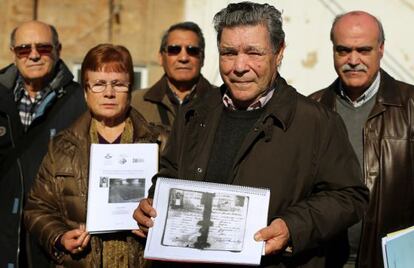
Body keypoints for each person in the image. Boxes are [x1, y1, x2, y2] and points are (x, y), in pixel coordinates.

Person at [134, 2, 369, 267]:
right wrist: (155, 201)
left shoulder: (317, 122)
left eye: (253, 53)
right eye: (229, 53)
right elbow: (170, 172)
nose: (239, 66)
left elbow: (349, 197)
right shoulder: (193, 112)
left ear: (278, 53)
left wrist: (292, 227)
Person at [24, 44, 165, 267]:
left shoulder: (161, 143)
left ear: (130, 89)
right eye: (99, 84)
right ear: (86, 91)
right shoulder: (61, 147)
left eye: (118, 84)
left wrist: (159, 229)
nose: (109, 93)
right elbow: (37, 207)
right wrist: (59, 237)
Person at [309, 11, 414, 268]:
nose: (353, 60)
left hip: (393, 262)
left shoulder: (411, 106)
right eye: (343, 50)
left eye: (363, 50)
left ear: (381, 49)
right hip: (325, 261)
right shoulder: (311, 110)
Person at [0, 20, 86, 267]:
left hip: (54, 242)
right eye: (24, 49)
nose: (34, 55)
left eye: (43, 48)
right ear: (14, 54)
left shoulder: (80, 102)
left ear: (58, 49)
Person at [131, 21, 215, 128]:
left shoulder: (222, 103)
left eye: (192, 50)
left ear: (202, 58)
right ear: (161, 58)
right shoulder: (135, 104)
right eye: (174, 49)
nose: (183, 58)